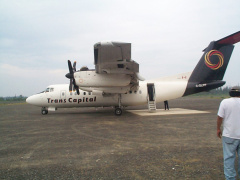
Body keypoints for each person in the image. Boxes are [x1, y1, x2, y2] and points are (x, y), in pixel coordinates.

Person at [217, 86, 240, 180]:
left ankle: (230, 178)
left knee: (229, 158)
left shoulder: (225, 102)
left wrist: (218, 129)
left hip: (229, 134)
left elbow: (220, 117)